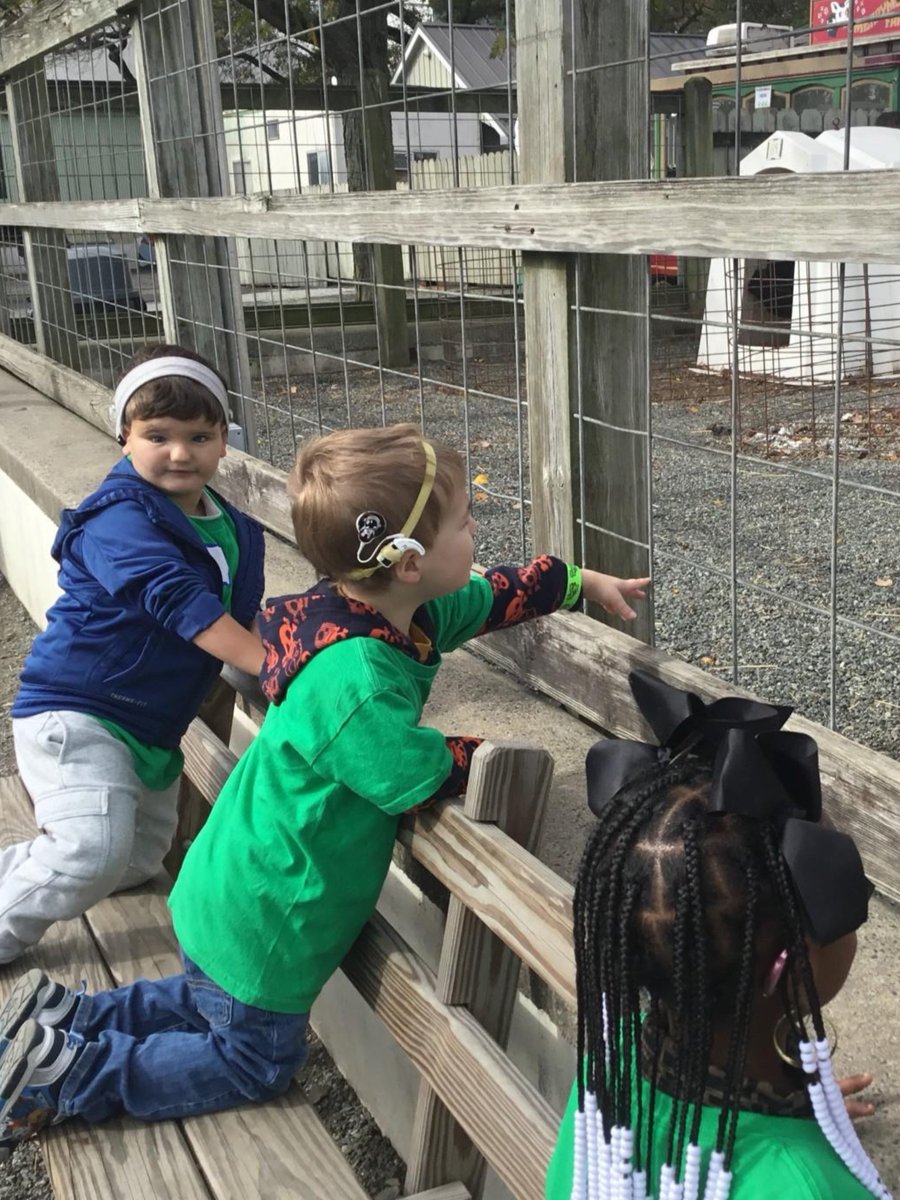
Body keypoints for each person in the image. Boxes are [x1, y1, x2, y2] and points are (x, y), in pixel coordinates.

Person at [0, 422, 648, 1148]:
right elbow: (409, 774)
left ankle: (66, 1021)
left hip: (232, 886)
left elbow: (489, 595)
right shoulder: (357, 680)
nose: (475, 533)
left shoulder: (385, 614)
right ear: (405, 561)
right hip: (272, 913)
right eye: (464, 523)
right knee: (251, 1057)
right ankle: (67, 1078)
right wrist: (483, 751)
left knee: (203, 1001)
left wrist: (577, 582)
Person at [546, 670, 890, 1200]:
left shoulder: (610, 1077)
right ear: (788, 963)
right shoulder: (805, 1189)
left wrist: (799, 1114)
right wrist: (794, 1159)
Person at [0, 344, 266, 967]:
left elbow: (239, 615)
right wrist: (276, 664)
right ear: (124, 436)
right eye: (158, 435)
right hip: (78, 710)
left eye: (199, 435)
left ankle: (22, 872)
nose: (180, 452)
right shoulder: (118, 519)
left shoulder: (232, 527)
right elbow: (183, 606)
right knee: (91, 852)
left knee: (135, 862)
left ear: (225, 441)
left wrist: (280, 654)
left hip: (148, 728)